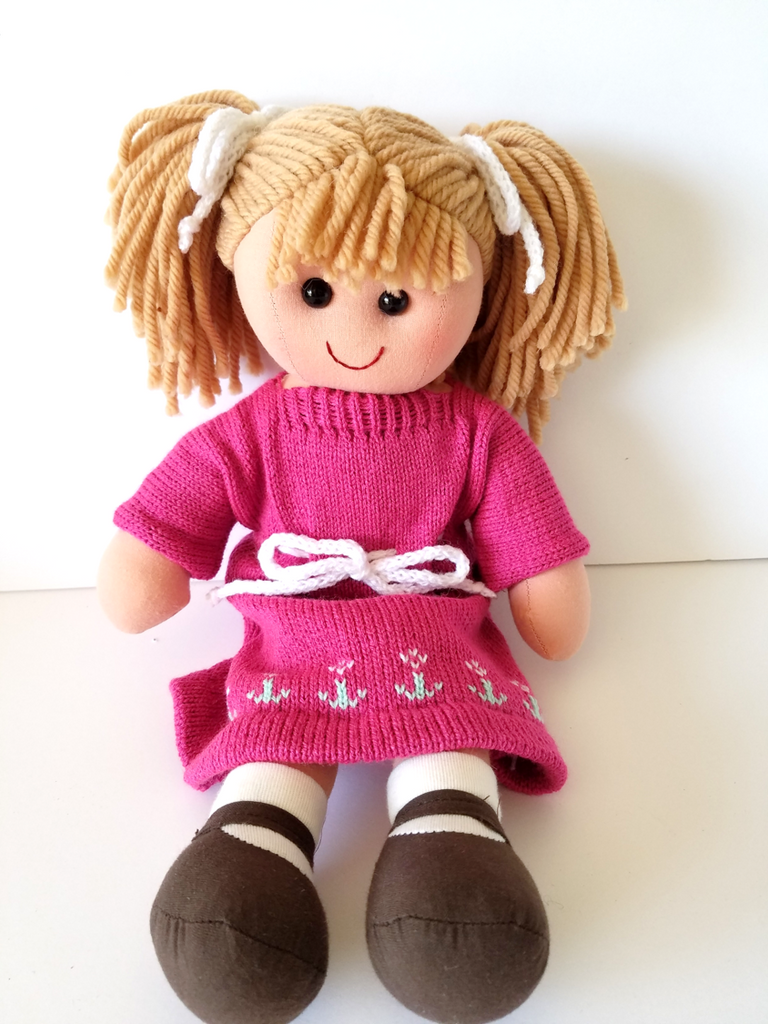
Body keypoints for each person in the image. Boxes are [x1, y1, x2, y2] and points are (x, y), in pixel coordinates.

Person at [99, 91, 625, 1024]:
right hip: (293, 649)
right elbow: (169, 525)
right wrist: (151, 560)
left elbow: (535, 547)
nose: (355, 328)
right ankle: (255, 843)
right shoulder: (255, 429)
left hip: (437, 649)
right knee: (274, 751)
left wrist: (545, 585)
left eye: (395, 300)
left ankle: (450, 836)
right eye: (313, 292)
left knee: (445, 744)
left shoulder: (476, 430)